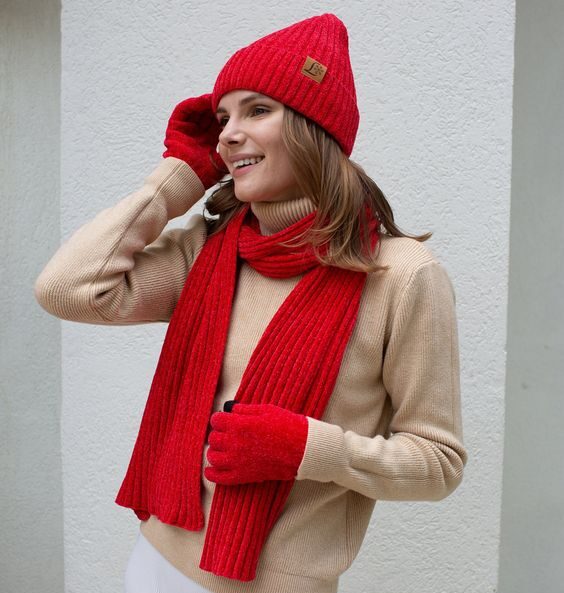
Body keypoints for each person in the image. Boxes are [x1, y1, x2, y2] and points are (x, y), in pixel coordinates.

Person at [34, 13, 467, 593]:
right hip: (157, 560)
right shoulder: (210, 250)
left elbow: (438, 462)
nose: (227, 134)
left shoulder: (401, 276)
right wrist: (177, 179)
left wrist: (308, 447)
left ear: (317, 129)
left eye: (257, 111)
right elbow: (68, 289)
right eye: (223, 118)